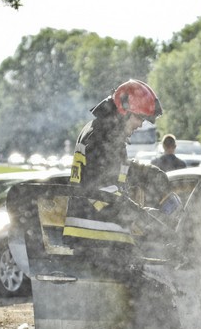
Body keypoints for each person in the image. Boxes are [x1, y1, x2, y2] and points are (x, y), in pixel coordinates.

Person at [63, 79, 164, 262]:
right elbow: (103, 192)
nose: (141, 124)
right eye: (140, 117)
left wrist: (144, 172)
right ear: (124, 111)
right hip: (98, 238)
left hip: (92, 235)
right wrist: (141, 216)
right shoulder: (104, 136)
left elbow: (108, 171)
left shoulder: (100, 130)